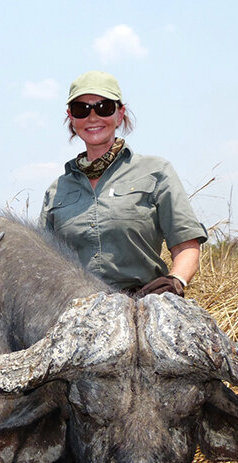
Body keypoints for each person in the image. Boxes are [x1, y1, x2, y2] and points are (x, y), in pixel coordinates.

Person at [40, 70, 206, 296]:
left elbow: (186, 244)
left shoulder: (157, 172)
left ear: (120, 114)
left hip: (144, 305)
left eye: (103, 107)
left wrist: (175, 282)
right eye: (81, 110)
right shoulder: (56, 191)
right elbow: (42, 264)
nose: (92, 117)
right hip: (75, 311)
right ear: (71, 117)